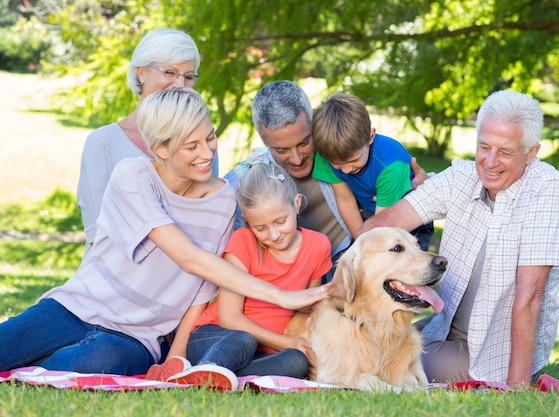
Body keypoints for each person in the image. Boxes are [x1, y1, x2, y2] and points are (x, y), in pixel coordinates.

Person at [0, 87, 326, 376]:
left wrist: (176, 354)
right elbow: (189, 258)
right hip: (74, 308)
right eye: (191, 146)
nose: (207, 153)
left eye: (210, 137)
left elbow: (203, 287)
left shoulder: (224, 200)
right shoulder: (133, 176)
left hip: (136, 338)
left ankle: (32, 370)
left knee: (84, 365)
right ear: (161, 149)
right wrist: (281, 296)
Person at [357, 90, 559, 389]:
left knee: (378, 363)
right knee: (360, 344)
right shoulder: (461, 176)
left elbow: (530, 298)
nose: (490, 162)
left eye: (505, 151)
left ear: (531, 153)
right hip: (442, 331)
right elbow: (380, 225)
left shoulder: (547, 190)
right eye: (483, 147)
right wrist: (352, 269)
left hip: (492, 350)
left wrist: (517, 388)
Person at [146, 163, 331, 390]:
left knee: (296, 361)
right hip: (217, 338)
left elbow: (307, 310)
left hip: (263, 352)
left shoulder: (318, 246)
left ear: (297, 204)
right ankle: (209, 368)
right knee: (243, 339)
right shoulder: (243, 242)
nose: (273, 235)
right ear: (246, 220)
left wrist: (304, 348)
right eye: (260, 228)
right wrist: (287, 342)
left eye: (281, 221)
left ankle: (220, 378)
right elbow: (229, 318)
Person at [225, 81, 429, 282]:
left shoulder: (342, 152)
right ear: (264, 141)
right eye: (281, 150)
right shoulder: (249, 182)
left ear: (315, 121)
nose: (296, 159)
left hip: (351, 263)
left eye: (304, 142)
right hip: (293, 281)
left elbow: (399, 174)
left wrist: (424, 187)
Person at [77, 28, 219, 259]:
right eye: (170, 72)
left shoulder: (202, 143)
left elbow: (205, 222)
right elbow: (97, 237)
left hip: (184, 278)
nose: (180, 84)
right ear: (141, 73)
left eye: (188, 76)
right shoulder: (102, 142)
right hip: (109, 280)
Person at [311, 93, 434, 251]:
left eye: (354, 160)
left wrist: (369, 248)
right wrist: (361, 242)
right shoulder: (326, 154)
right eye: (338, 164)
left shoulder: (390, 165)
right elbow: (345, 199)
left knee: (406, 268)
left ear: (370, 136)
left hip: (408, 216)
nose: (347, 170)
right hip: (371, 212)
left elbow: (383, 224)